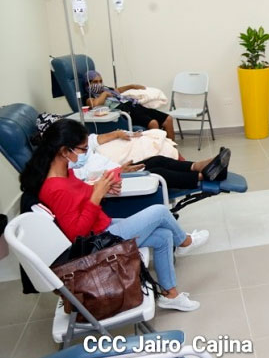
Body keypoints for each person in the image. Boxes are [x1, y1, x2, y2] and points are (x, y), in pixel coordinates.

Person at [20, 119, 210, 312]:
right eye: (83, 149)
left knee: (164, 236)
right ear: (64, 151)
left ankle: (170, 296)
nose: (86, 153)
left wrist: (105, 186)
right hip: (96, 244)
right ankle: (185, 242)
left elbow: (80, 195)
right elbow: (76, 234)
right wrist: (97, 196)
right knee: (160, 212)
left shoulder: (65, 173)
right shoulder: (54, 188)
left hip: (103, 227)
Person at [33, 113, 231, 189]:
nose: (86, 149)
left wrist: (117, 135)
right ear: (63, 148)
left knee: (156, 160)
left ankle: (204, 165)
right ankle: (203, 177)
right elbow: (85, 181)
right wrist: (117, 172)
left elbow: (93, 140)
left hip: (118, 170)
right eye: (82, 148)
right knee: (156, 173)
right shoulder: (63, 167)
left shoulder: (72, 151)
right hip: (114, 182)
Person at [86, 70, 176, 140]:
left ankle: (173, 152)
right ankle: (158, 152)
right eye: (95, 82)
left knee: (168, 119)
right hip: (126, 112)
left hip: (135, 106)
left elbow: (119, 90)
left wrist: (132, 86)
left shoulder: (107, 89)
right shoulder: (90, 97)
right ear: (88, 83)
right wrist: (104, 94)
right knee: (153, 123)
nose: (99, 84)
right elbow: (95, 104)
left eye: (100, 81)